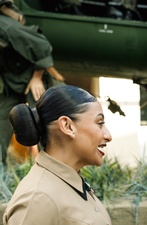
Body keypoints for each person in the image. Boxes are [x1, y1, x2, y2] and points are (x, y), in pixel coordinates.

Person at [3, 84, 113, 225]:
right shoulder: (38, 199)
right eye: (100, 123)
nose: (108, 135)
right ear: (67, 126)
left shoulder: (71, 183)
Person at [0, 0, 64, 165]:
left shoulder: (6, 27)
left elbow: (41, 46)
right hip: (10, 84)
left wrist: (36, 77)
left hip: (34, 80)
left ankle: (56, 171)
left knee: (47, 127)